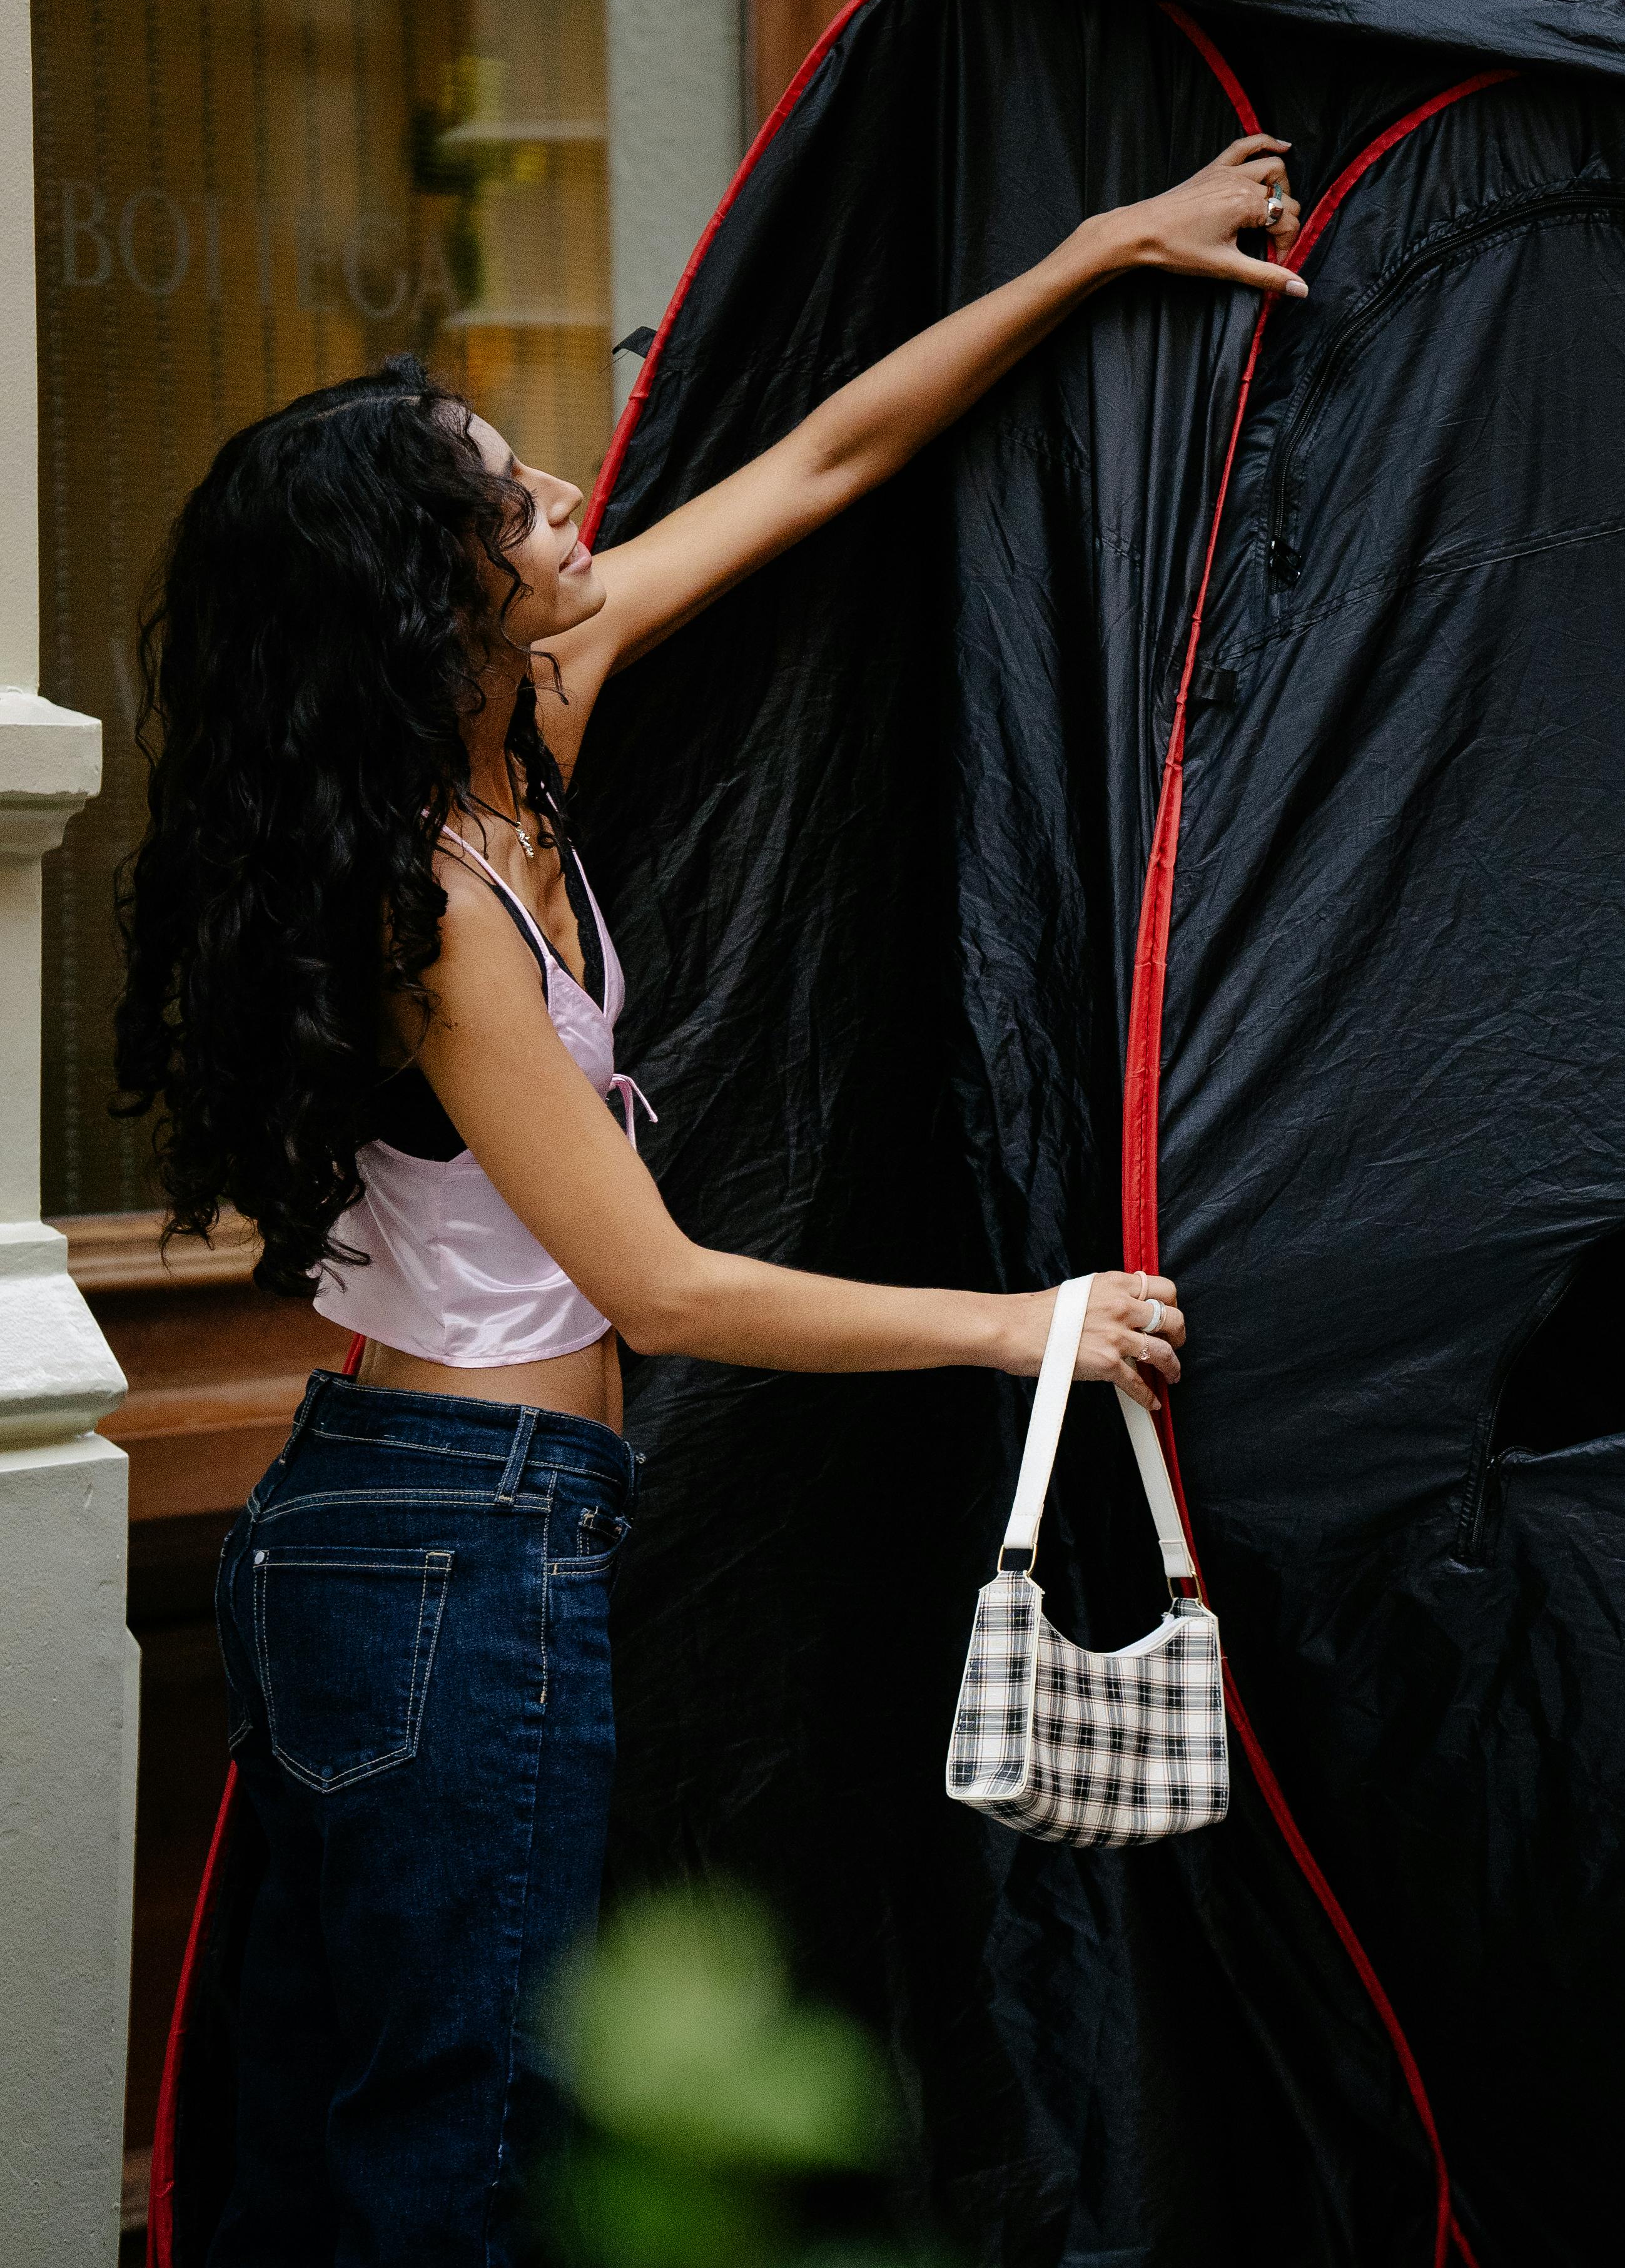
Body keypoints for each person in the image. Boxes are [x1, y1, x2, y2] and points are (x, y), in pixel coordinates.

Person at [114, 134, 1312, 2264]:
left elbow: (832, 459)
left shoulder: (529, 726)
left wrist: (1095, 254)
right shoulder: (428, 897)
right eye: (504, 501)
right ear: (414, 585)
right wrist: (1019, 1323)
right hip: (450, 1556)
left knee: (369, 2137)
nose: (566, 499)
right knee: (455, 2157)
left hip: (411, 1530)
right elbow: (653, 1288)